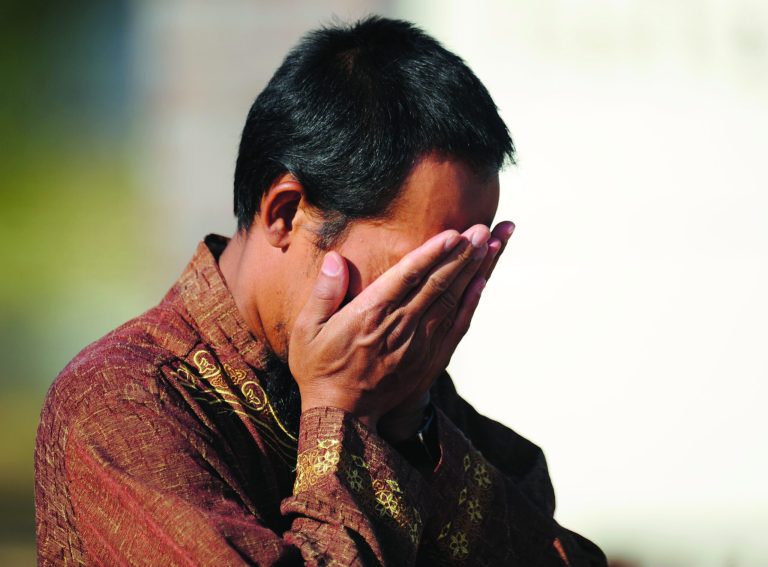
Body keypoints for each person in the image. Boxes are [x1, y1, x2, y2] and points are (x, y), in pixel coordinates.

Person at [35, 16, 607, 566]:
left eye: (462, 271)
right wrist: (343, 416)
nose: (437, 306)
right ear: (286, 213)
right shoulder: (120, 406)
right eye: (419, 273)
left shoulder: (396, 381)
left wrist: (412, 431)